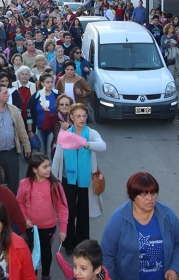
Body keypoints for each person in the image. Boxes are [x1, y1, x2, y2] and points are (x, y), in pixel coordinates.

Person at [101, 172, 179, 280]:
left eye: (153, 194)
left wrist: (175, 268)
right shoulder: (118, 219)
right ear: (132, 196)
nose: (150, 199)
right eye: (144, 195)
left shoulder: (167, 214)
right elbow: (106, 255)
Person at [53, 103, 107, 253]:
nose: (82, 118)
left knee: (83, 211)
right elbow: (57, 158)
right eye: (78, 116)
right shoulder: (64, 134)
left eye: (84, 115)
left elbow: (103, 146)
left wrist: (85, 143)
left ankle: (83, 244)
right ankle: (69, 244)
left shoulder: (91, 133)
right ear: (72, 117)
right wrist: (52, 179)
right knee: (69, 211)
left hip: (85, 179)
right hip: (67, 178)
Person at [16, 153, 68, 280]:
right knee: (30, 253)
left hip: (48, 228)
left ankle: (46, 275)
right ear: (34, 169)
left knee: (45, 252)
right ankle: (31, 275)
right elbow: (20, 202)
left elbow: (62, 207)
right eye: (44, 167)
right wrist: (25, 219)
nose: (49, 169)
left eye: (49, 166)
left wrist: (63, 229)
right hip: (30, 228)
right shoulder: (25, 184)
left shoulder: (55, 185)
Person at [27, 73, 59, 156]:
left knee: (49, 151)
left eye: (51, 82)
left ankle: (50, 168)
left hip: (53, 129)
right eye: (47, 82)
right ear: (42, 83)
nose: (50, 84)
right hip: (39, 129)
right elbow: (29, 115)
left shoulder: (57, 95)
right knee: (41, 152)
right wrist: (30, 131)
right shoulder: (35, 97)